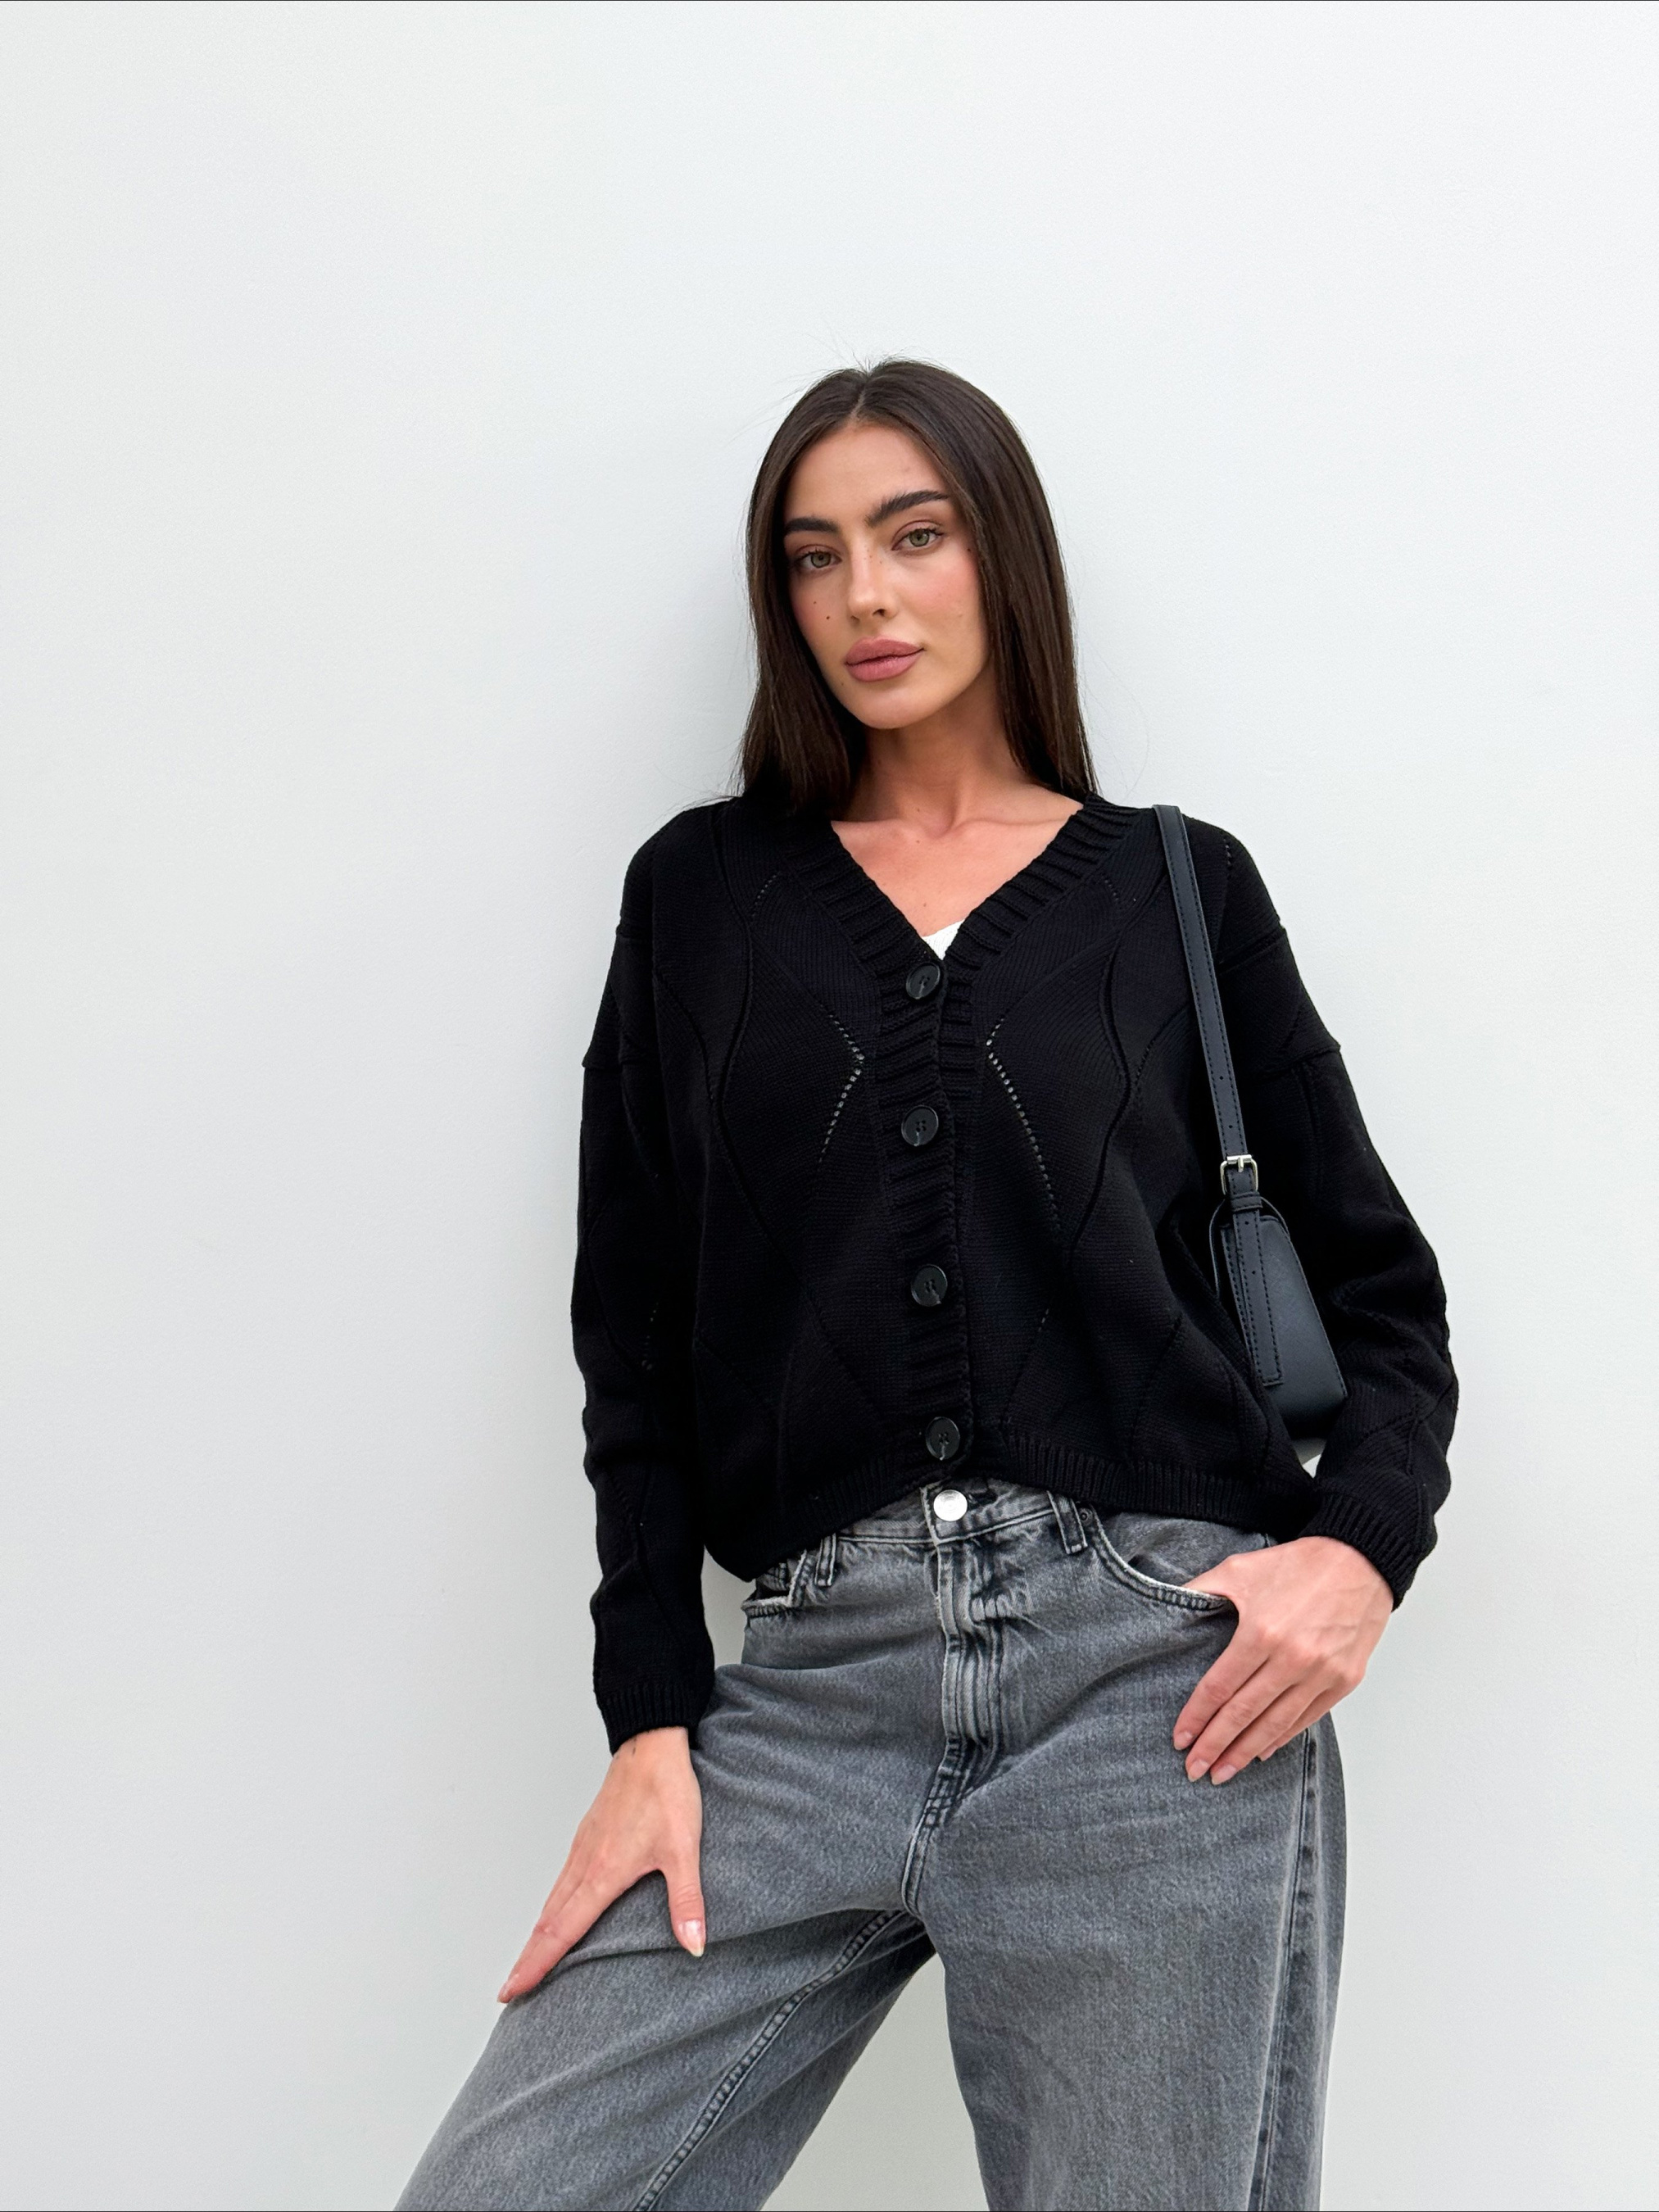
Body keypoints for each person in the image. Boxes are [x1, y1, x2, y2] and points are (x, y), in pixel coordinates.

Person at [398, 360, 1455, 2212]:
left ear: (1000, 556)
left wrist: (1355, 1555)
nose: (863, 598)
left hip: (1150, 1694)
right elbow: (629, 1341)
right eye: (813, 557)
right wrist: (648, 1722)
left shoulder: (1176, 891)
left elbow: (1381, 1295)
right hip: (812, 1688)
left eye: (913, 536)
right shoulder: (702, 896)